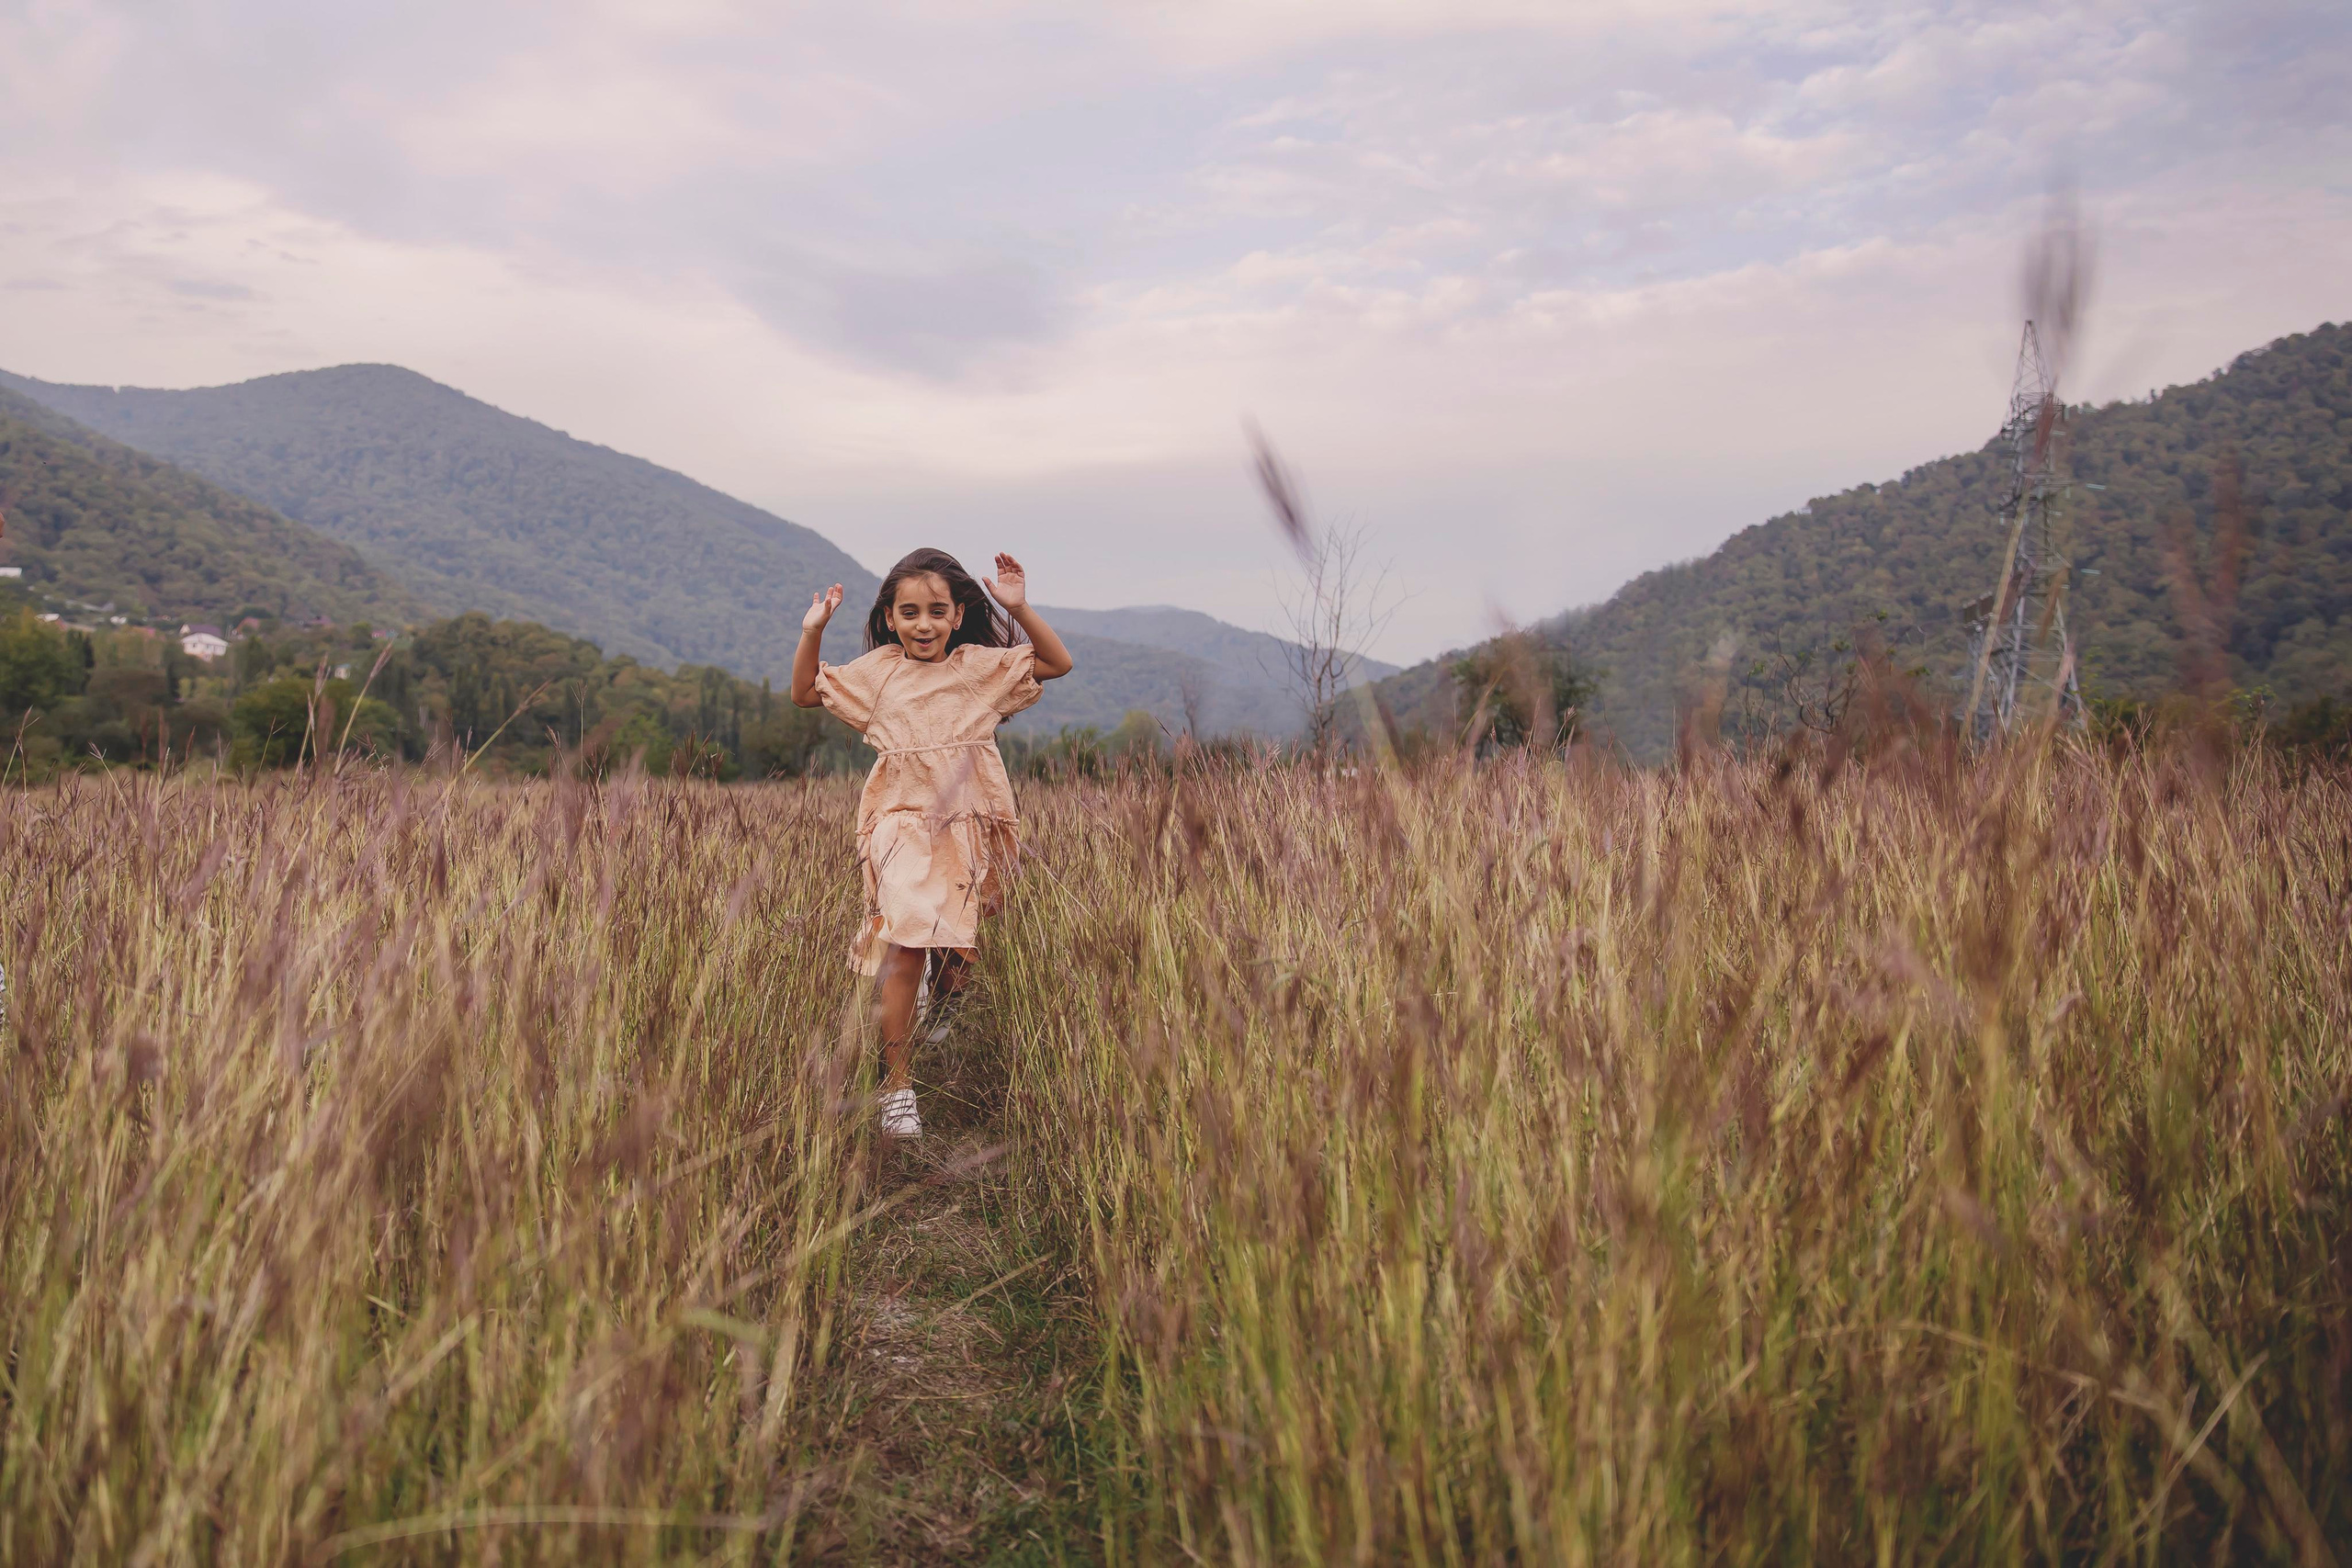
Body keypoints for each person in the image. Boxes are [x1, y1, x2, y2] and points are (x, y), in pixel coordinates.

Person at [792, 547, 1074, 1139]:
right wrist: (813, 631)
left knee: (955, 956)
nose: (924, 625)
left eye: (937, 612)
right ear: (889, 618)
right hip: (899, 822)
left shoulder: (977, 669)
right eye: (910, 613)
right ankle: (897, 1089)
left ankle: (939, 1004)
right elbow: (805, 693)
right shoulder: (879, 674)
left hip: (969, 823)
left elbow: (1057, 662)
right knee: (904, 943)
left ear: (958, 615)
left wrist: (1018, 607)